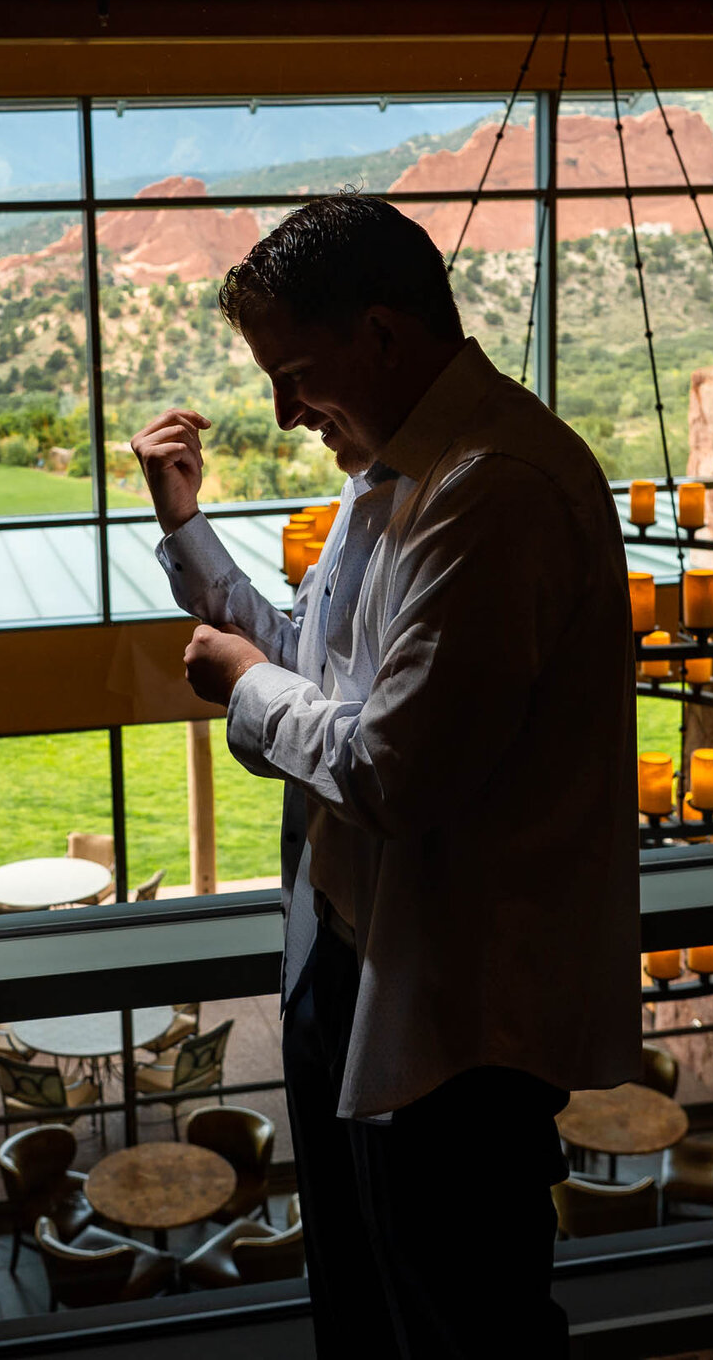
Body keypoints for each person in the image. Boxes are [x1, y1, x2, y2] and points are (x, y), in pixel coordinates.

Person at [129, 194, 640, 1357]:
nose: (282, 408)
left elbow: (388, 766)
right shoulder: (391, 472)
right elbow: (302, 661)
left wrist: (246, 687)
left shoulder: (496, 492)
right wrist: (187, 529)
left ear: (385, 337)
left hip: (452, 1017)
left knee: (461, 1326)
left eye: (295, 371)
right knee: (360, 1299)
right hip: (349, 966)